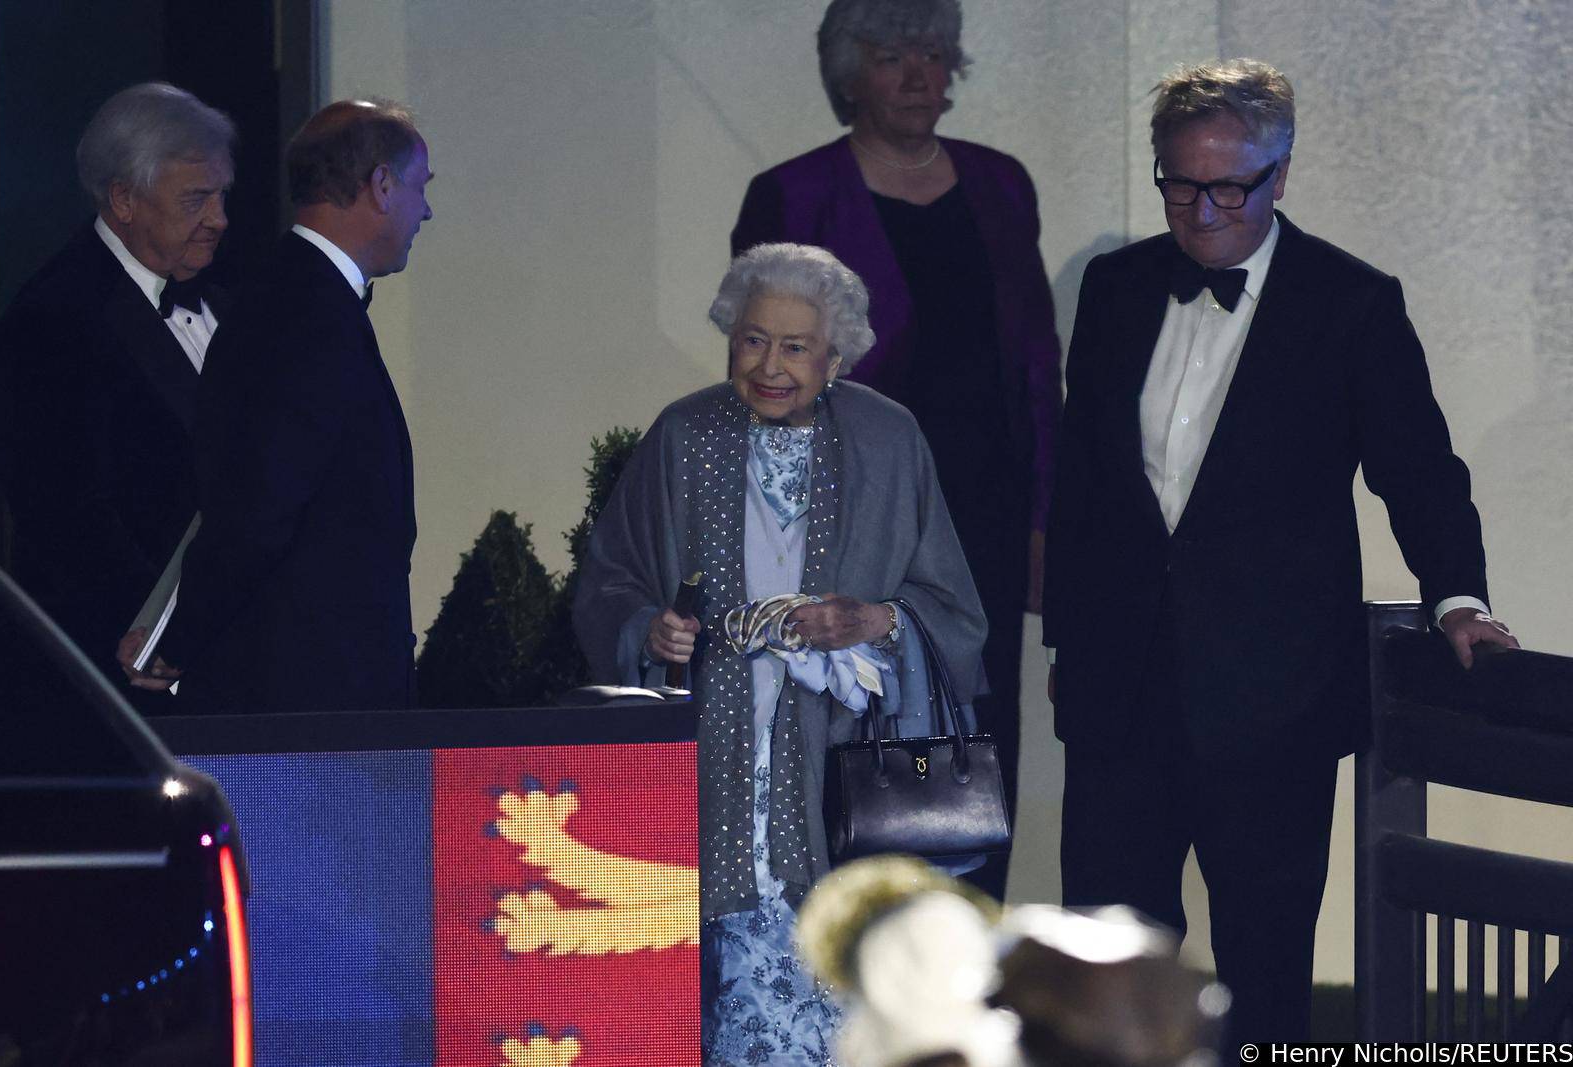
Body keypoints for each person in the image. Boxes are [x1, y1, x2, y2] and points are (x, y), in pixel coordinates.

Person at [1042, 59, 1518, 1051]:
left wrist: (1457, 597)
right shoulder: (1116, 287)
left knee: (1263, 971)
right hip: (1117, 693)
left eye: (1230, 185)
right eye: (1180, 183)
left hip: (1272, 704)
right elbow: (1085, 476)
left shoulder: (1349, 303)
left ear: (1281, 174)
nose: (1203, 208)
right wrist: (1069, 635)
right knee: (1101, 965)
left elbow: (1418, 469)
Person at [573, 243, 987, 1064]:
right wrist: (649, 629)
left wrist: (876, 620)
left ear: (836, 357)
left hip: (842, 775)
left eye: (796, 347)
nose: (770, 365)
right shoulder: (683, 435)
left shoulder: (887, 438)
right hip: (712, 766)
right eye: (752, 340)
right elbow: (607, 581)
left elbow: (953, 611)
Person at [730, 0, 1061, 898]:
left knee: (972, 742)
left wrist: (1040, 522)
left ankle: (959, 972)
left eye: (931, 52)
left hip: (982, 521)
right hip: (847, 518)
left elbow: (1037, 365)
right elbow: (766, 376)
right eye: (889, 55)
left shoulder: (1000, 185)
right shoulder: (793, 195)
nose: (917, 73)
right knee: (845, 736)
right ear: (848, 73)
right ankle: (839, 970)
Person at [123, 99, 433, 713]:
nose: (425, 209)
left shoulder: (298, 300)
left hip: (316, 698)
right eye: (420, 187)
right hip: (306, 713)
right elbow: (255, 506)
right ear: (381, 184)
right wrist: (176, 642)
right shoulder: (301, 313)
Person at [0, 82, 234, 713]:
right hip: (124, 692)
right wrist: (161, 632)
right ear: (124, 199)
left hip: (231, 672)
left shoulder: (227, 301)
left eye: (222, 195)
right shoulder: (52, 321)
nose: (220, 219)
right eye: (197, 199)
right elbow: (63, 518)